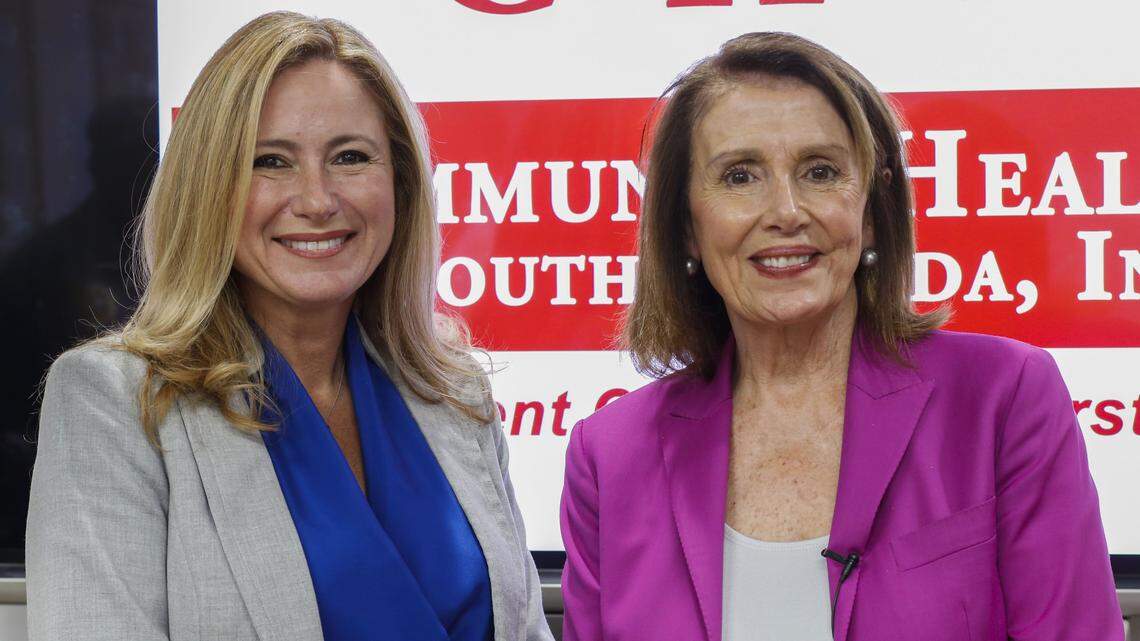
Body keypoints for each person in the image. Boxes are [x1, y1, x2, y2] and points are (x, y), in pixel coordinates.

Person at [559, 32, 1122, 641]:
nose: (786, 210)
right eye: (740, 176)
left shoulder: (1002, 398)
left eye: (820, 171)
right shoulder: (608, 456)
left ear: (872, 210)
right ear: (688, 228)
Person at [27, 12, 552, 641]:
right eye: (271, 161)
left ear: (402, 185)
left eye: (351, 157)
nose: (317, 200)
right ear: (209, 188)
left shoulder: (455, 392)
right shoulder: (113, 402)